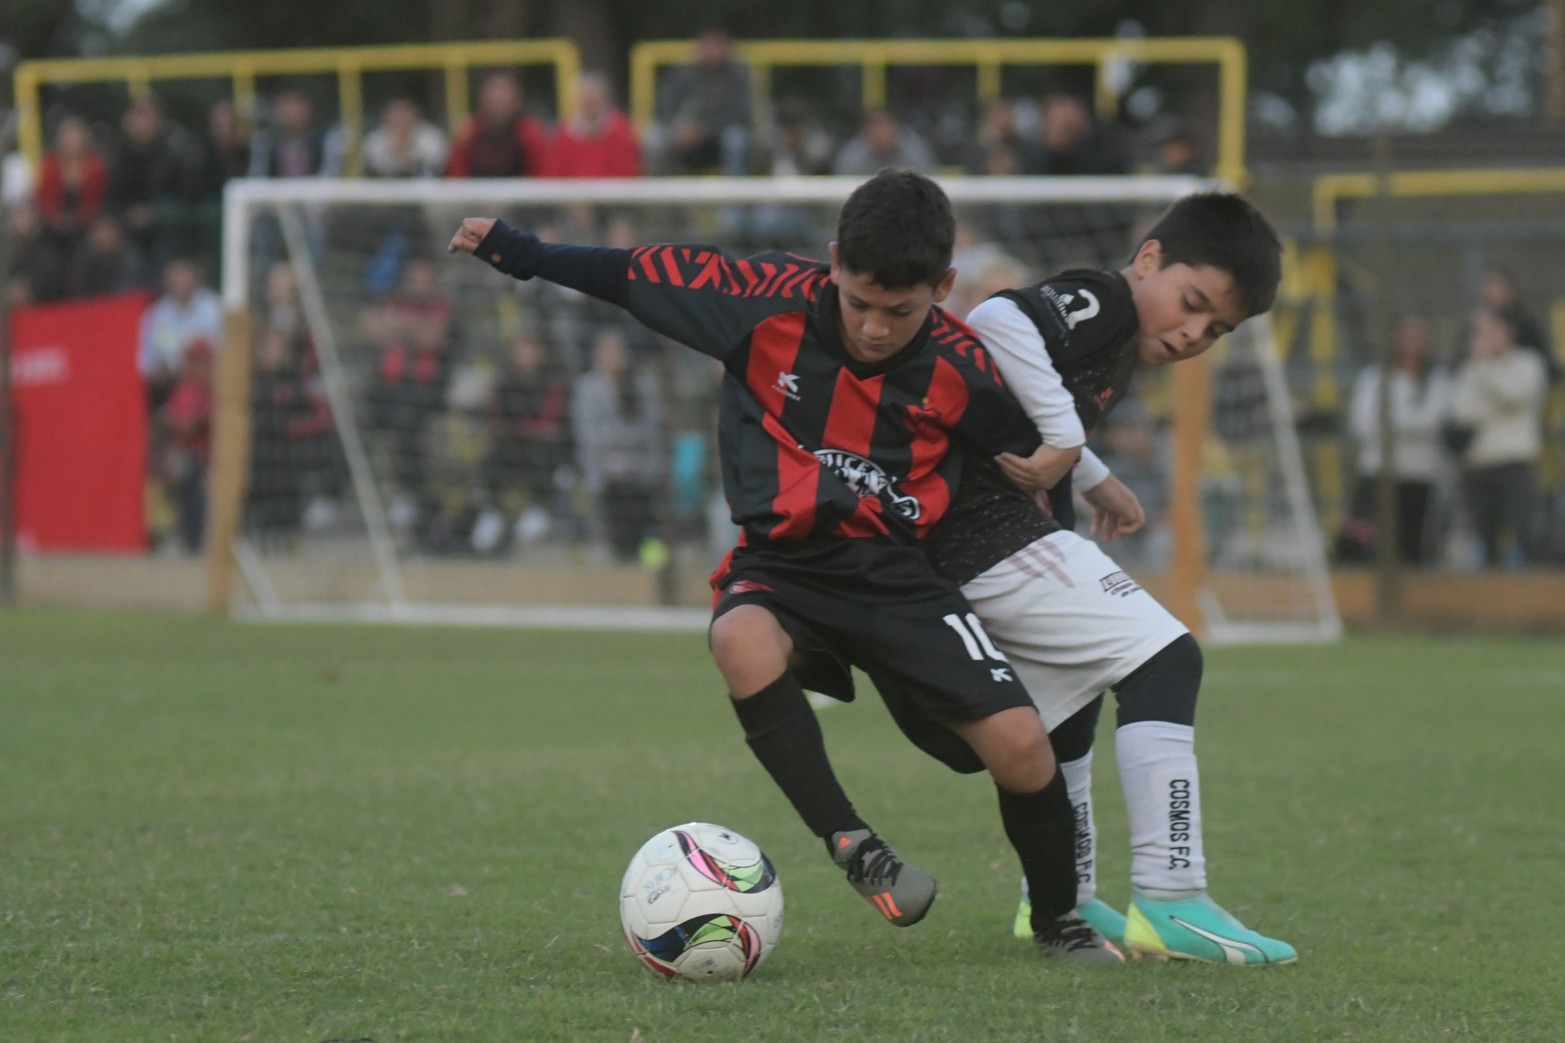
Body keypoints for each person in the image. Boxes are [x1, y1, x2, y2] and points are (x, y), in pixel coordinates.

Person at [449, 170, 1124, 962]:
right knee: (738, 637)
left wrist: (1087, 497)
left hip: (901, 576)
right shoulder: (758, 298)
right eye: (859, 302)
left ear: (941, 288)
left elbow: (1028, 467)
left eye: (899, 311)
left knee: (1017, 747)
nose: (874, 328)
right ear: (833, 262)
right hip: (784, 563)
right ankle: (853, 844)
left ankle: (1057, 920)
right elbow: (630, 274)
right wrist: (517, 250)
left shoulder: (964, 366)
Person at [920, 192, 1298, 964]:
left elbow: (1010, 394)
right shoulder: (1107, 298)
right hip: (985, 533)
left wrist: (1089, 474)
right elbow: (993, 321)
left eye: (1216, 329)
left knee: (1070, 698)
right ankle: (1170, 895)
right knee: (1167, 656)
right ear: (1150, 259)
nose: (1194, 333)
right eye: (1193, 304)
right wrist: (1069, 442)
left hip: (975, 536)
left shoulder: (1124, 337)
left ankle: (1058, 897)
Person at [1339, 314, 1451, 565]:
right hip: (1377, 470)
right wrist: (1408, 426)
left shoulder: (1436, 381)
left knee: (1410, 549)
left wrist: (1391, 423)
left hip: (1418, 474)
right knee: (1364, 541)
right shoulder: (1375, 377)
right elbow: (1363, 422)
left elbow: (1433, 421)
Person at [1449, 308, 1548, 567]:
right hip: (1478, 461)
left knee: (1521, 527)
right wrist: (1482, 368)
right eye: (1481, 333)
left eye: (1492, 331)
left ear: (1508, 332)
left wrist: (1485, 374)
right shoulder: (1471, 367)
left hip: (1514, 460)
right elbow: (1463, 412)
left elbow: (1515, 396)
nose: (1486, 338)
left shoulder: (1528, 363)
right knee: (1484, 531)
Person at [570, 326, 663, 562]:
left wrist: (630, 457)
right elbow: (588, 436)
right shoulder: (587, 389)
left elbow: (651, 431)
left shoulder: (642, 386)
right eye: (607, 349)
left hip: (639, 468)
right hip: (603, 470)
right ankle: (623, 554)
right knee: (617, 495)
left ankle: (642, 554)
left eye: (617, 349)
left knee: (638, 495)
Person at [649, 27, 753, 176]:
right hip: (681, 135)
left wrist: (704, 130)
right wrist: (680, 129)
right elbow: (665, 105)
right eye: (709, 45)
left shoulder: (738, 76)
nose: (713, 51)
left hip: (718, 139)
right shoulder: (682, 74)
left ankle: (734, 197)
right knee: (654, 139)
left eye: (717, 45)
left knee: (736, 139)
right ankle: (657, 195)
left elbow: (742, 113)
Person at [444, 72, 549, 179]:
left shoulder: (530, 133)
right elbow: (454, 177)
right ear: (483, 100)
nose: (499, 106)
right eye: (494, 100)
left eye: (504, 99)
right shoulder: (468, 133)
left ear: (516, 101)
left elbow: (545, 177)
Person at [545, 73, 641, 178]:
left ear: (605, 98)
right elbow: (555, 174)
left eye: (593, 96)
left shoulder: (622, 131)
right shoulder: (562, 135)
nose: (588, 102)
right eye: (584, 97)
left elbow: (628, 171)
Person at [831, 109, 938, 177]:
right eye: (877, 129)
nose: (882, 134)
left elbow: (930, 185)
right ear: (866, 132)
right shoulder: (852, 157)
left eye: (886, 127)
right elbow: (839, 198)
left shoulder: (915, 153)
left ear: (896, 128)